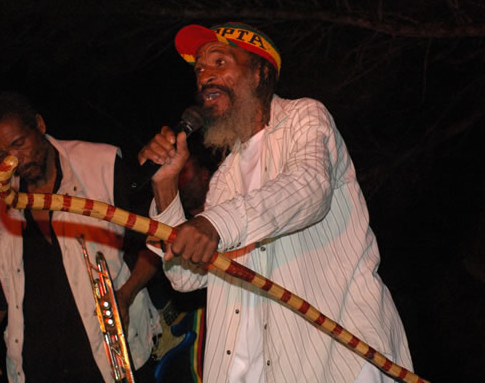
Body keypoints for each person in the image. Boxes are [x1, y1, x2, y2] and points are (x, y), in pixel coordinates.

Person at [138, 23, 413, 383]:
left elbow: (309, 188)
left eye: (219, 62)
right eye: (200, 69)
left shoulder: (305, 117)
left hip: (333, 362)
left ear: (259, 73)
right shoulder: (224, 179)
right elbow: (185, 279)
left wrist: (215, 224)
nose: (205, 77)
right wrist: (166, 185)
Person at [0, 92, 160, 383]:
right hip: (39, 366)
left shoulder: (101, 166)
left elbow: (153, 242)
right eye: (1, 155)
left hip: (113, 356)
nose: (14, 160)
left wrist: (124, 295)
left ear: (40, 125)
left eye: (19, 144)